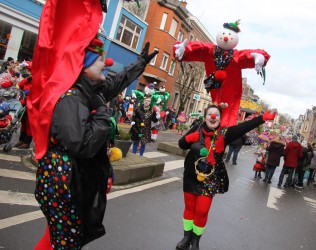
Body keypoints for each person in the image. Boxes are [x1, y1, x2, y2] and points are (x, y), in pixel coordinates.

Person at [29, 2, 158, 247]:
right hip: (64, 182)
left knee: (57, 239)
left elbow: (117, 82)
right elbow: (83, 145)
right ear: (84, 67)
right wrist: (102, 113)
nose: (106, 62)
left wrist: (139, 64)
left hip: (72, 179)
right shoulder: (70, 98)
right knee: (66, 242)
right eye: (99, 59)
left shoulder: (89, 91)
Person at [176, 105, 276, 250]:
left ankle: (196, 241)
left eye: (216, 114)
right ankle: (186, 238)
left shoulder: (225, 133)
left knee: (202, 211)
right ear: (205, 117)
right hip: (191, 176)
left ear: (220, 118)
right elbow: (182, 144)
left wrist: (262, 118)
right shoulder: (197, 128)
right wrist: (191, 138)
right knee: (189, 208)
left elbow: (243, 127)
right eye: (210, 114)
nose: (213, 117)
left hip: (210, 178)